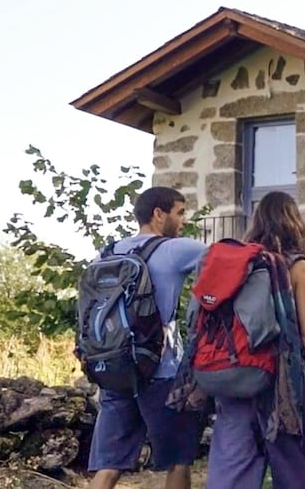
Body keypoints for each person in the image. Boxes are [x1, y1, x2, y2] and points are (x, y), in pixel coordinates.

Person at [172, 191, 305, 489]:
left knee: (232, 467)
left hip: (235, 373)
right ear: (295, 222)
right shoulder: (298, 265)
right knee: (294, 466)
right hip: (283, 381)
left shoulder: (238, 264)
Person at [86, 186, 209, 489]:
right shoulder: (176, 249)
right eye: (179, 212)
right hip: (161, 370)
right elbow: (226, 262)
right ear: (158, 214)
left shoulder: (108, 252)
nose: (183, 221)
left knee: (109, 465)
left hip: (114, 367)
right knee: (178, 459)